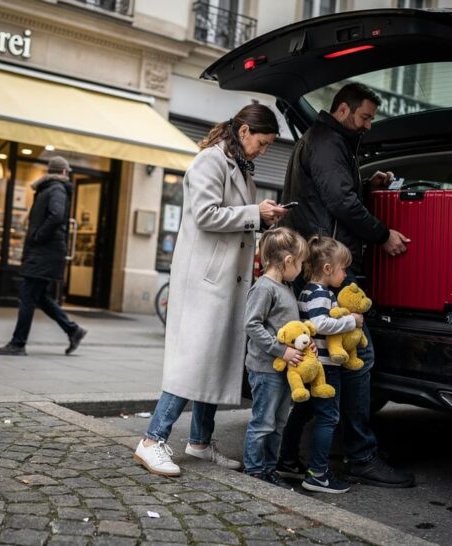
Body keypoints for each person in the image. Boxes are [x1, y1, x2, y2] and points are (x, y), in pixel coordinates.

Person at [134, 104, 289, 477]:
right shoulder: (210, 161)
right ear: (244, 131)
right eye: (263, 143)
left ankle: (200, 441)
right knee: (194, 361)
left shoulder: (240, 166)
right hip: (205, 281)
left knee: (214, 360)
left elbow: (233, 219)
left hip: (224, 281)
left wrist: (261, 217)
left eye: (269, 145)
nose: (264, 150)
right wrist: (255, 213)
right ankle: (152, 440)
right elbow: (205, 215)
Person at [278, 82, 415, 487]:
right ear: (343, 110)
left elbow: (330, 194)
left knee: (327, 360)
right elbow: (339, 202)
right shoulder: (327, 142)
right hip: (329, 266)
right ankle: (360, 455)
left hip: (323, 260)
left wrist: (366, 184)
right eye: (365, 117)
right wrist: (382, 234)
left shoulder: (330, 141)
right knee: (359, 356)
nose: (369, 125)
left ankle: (299, 452)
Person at [279, 236, 361, 494]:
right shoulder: (319, 294)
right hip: (323, 367)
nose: (345, 275)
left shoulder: (308, 291)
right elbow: (320, 323)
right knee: (328, 417)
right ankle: (318, 474)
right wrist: (352, 322)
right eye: (343, 269)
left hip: (313, 365)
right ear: (328, 268)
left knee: (302, 412)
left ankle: (287, 461)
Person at [0, 156, 86, 357]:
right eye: (67, 172)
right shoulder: (53, 189)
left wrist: (37, 235)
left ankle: (18, 343)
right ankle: (73, 330)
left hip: (44, 252)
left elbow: (56, 216)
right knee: (40, 297)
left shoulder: (55, 189)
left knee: (27, 296)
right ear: (63, 172)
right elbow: (54, 216)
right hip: (44, 252)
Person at [242, 227, 308, 488]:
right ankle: (255, 470)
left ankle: (270, 468)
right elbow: (252, 324)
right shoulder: (264, 288)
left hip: (283, 370)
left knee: (278, 422)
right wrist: (282, 350)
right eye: (300, 264)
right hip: (265, 369)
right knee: (263, 422)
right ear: (288, 261)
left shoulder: (285, 287)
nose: (301, 270)